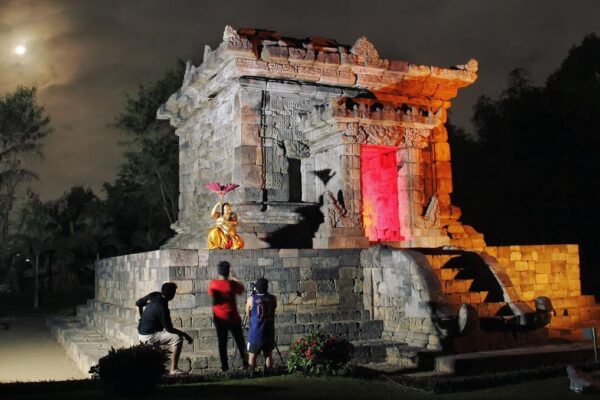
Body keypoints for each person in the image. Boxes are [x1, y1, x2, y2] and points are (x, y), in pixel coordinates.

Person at [136, 282, 193, 376]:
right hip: (149, 336)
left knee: (158, 348)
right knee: (177, 338)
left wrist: (142, 318)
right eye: (174, 292)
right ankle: (173, 369)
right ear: (172, 295)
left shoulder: (154, 295)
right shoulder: (162, 308)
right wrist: (185, 334)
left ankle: (155, 369)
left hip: (142, 332)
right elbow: (169, 329)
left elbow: (138, 303)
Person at [208, 261, 248, 371]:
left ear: (218, 271)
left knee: (222, 343)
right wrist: (234, 277)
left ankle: (224, 366)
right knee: (240, 342)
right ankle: (246, 364)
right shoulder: (232, 284)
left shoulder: (214, 284)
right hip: (233, 317)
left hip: (219, 318)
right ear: (228, 271)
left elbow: (211, 293)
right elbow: (241, 289)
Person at [245, 278, 277, 370]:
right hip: (269, 331)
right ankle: (269, 372)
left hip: (256, 332)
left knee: (252, 355)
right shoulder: (273, 298)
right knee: (268, 354)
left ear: (257, 287)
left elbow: (248, 314)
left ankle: (252, 373)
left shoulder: (251, 299)